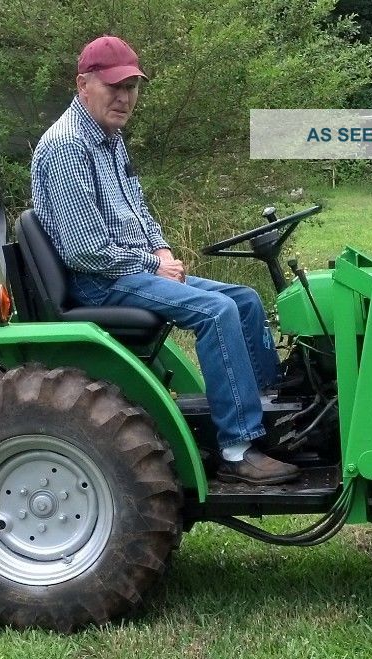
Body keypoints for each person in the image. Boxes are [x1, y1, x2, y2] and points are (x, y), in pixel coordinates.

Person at [29, 36, 299, 486]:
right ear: (83, 84)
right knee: (217, 312)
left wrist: (161, 251)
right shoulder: (66, 147)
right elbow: (85, 250)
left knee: (247, 299)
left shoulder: (109, 139)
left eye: (132, 87)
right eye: (114, 86)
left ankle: (273, 413)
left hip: (132, 267)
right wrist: (153, 267)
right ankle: (236, 447)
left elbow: (138, 211)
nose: (124, 97)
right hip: (99, 280)